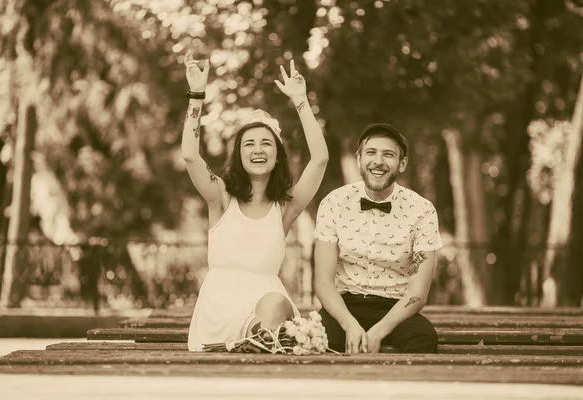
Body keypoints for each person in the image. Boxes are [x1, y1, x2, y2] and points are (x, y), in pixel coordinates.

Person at [181, 51, 329, 351]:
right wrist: (196, 95)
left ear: (277, 158)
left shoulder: (285, 206)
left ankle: (260, 342)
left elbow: (321, 158)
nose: (258, 149)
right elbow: (189, 156)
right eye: (249, 144)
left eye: (266, 143)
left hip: (266, 306)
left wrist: (301, 100)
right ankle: (250, 345)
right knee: (271, 328)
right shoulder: (220, 196)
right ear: (239, 155)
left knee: (275, 307)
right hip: (220, 307)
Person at [313, 123, 443, 354]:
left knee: (423, 338)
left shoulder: (422, 210)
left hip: (396, 308)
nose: (378, 161)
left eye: (389, 154)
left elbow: (418, 293)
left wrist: (380, 330)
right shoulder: (334, 202)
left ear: (402, 164)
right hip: (345, 306)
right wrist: (349, 324)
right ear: (359, 159)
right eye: (371, 152)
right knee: (316, 339)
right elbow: (323, 282)